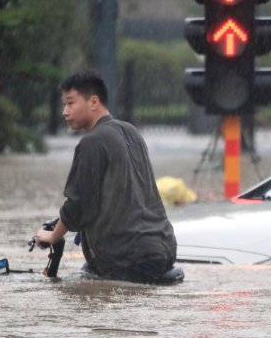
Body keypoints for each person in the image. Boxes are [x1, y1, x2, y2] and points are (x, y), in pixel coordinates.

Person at [33, 70, 181, 284]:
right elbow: (118, 197)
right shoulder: (132, 132)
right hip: (164, 251)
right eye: (63, 105)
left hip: (127, 259)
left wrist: (52, 236)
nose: (64, 112)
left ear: (94, 102)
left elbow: (79, 205)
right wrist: (61, 222)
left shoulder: (92, 142)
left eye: (70, 103)